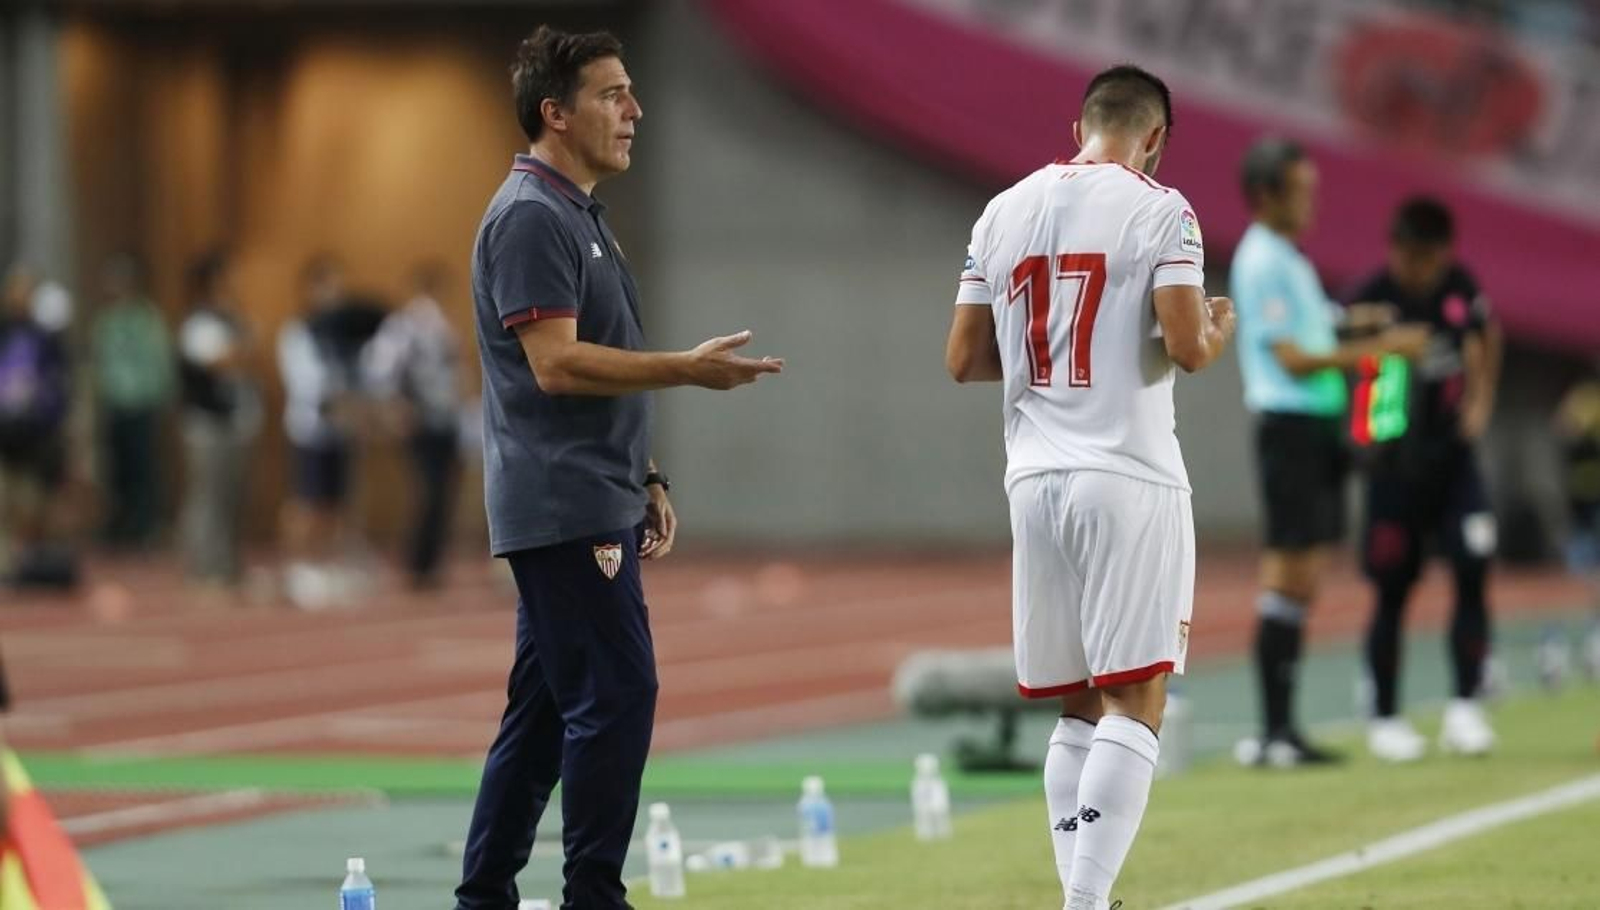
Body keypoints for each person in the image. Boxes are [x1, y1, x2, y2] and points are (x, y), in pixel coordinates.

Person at [454, 26, 783, 910]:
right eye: (612, 95)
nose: (635, 111)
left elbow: (598, 359)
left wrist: (647, 471)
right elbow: (557, 364)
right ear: (554, 114)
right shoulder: (530, 216)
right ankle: (592, 896)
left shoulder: (577, 214)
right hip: (560, 503)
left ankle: (483, 895)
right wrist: (689, 367)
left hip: (590, 491)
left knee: (543, 714)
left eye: (632, 92)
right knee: (618, 693)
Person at [946, 65, 1235, 910]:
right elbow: (1184, 344)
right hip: (1127, 473)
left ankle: (1084, 895)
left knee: (1077, 706)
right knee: (1134, 696)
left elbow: (963, 357)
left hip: (1034, 478)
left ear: (1080, 128)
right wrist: (1219, 327)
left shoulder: (1000, 210)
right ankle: (1084, 902)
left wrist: (1053, 354)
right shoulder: (1162, 209)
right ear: (1155, 139)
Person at [1229, 138, 1428, 766]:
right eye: (1300, 189)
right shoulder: (1262, 259)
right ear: (1267, 195)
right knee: (1288, 575)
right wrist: (1381, 350)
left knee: (1305, 577)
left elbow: (1311, 330)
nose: (1312, 200)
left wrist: (1355, 323)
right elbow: (1289, 354)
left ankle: (1282, 730)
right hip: (1289, 427)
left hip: (1313, 427)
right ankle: (1274, 732)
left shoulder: (1288, 256)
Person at [1343, 197, 1502, 758]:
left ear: (1442, 254)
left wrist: (1481, 401)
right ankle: (1385, 715)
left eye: (1427, 259)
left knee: (1473, 569)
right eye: (1408, 257)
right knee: (1392, 589)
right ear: (1395, 249)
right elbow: (1336, 354)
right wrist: (1387, 348)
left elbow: (1487, 335)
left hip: (1455, 462)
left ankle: (1465, 706)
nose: (1417, 269)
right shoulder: (1370, 296)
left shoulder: (1461, 287)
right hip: (1394, 467)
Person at [277, 256, 385, 608]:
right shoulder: (299, 332)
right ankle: (298, 567)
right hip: (311, 428)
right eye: (327, 285)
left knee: (337, 504)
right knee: (310, 502)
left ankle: (328, 564)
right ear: (310, 289)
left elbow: (364, 374)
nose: (333, 293)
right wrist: (344, 404)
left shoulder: (344, 335)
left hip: (341, 430)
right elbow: (308, 383)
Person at [362, 262, 465, 589]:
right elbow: (380, 370)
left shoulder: (443, 325)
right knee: (429, 491)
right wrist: (396, 407)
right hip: (421, 417)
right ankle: (417, 563)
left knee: (442, 491)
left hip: (445, 416)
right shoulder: (405, 326)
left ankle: (429, 563)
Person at [177, 252, 261, 587]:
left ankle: (227, 563)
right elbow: (218, 362)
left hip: (234, 420)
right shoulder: (198, 323)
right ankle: (202, 565)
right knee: (207, 495)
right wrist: (242, 347)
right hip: (205, 422)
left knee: (232, 496)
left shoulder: (232, 320)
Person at [90, 252, 175, 549]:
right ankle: (120, 526)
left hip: (142, 404)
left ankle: (144, 527)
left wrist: (161, 400)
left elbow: (160, 362)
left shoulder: (148, 318)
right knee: (118, 471)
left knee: (143, 469)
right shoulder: (106, 321)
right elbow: (99, 364)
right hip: (115, 404)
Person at [0, 264, 72, 586]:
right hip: (3, 433)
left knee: (32, 505)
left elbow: (59, 385)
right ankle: (5, 563)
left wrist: (53, 419)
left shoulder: (45, 339)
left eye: (27, 291)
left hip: (34, 435)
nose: (21, 297)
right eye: (16, 290)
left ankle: (29, 564)